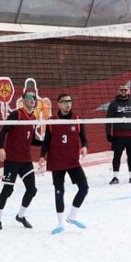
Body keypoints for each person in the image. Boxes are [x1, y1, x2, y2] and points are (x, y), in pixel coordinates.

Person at [39, 93, 89, 235]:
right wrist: (42, 156)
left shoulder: (78, 119)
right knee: (59, 192)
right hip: (57, 161)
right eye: (65, 102)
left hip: (73, 161)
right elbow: (46, 141)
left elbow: (84, 138)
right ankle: (60, 223)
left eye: (70, 101)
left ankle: (72, 216)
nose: (68, 104)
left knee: (84, 188)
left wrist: (84, 146)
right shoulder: (52, 121)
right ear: (59, 104)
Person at [0, 91, 42, 230]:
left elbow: (33, 139)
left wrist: (47, 142)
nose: (32, 99)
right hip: (12, 160)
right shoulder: (17, 114)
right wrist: (1, 148)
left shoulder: (33, 118)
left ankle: (20, 216)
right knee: (7, 190)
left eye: (33, 98)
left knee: (32, 190)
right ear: (23, 100)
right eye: (28, 97)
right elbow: (3, 131)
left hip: (26, 160)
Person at [105, 83, 131, 184]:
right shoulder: (113, 104)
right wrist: (108, 133)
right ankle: (115, 177)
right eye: (121, 90)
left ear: (128, 91)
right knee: (117, 156)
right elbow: (108, 120)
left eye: (125, 90)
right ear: (118, 91)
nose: (123, 92)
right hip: (118, 135)